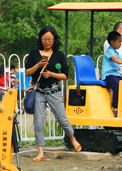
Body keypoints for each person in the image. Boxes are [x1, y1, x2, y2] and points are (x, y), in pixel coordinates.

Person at [24, 25, 81, 160]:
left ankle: (73, 139)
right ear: (41, 39)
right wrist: (38, 65)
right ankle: (41, 152)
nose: (47, 41)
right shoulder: (34, 53)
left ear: (54, 39)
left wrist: (51, 74)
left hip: (54, 91)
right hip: (39, 91)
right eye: (45, 38)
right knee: (38, 122)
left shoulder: (59, 55)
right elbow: (27, 73)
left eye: (50, 38)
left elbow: (65, 76)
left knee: (62, 119)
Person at [102, 30, 122, 116]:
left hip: (115, 74)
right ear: (112, 42)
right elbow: (116, 60)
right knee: (117, 84)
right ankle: (115, 105)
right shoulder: (109, 51)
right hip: (108, 75)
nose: (121, 44)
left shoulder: (115, 52)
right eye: (119, 42)